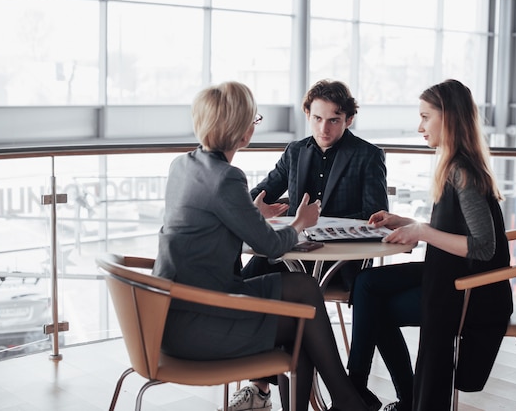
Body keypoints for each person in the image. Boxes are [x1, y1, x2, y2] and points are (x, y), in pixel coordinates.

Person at [152, 81, 373, 411]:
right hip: (199, 322)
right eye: (254, 120)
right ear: (242, 132)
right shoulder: (228, 178)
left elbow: (212, 215)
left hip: (168, 315)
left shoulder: (182, 165)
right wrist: (300, 222)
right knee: (302, 317)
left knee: (303, 289)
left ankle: (344, 399)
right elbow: (271, 245)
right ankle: (347, 400)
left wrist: (251, 211)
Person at [346, 79, 514, 411]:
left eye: (426, 117)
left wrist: (421, 231)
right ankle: (357, 390)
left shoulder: (462, 172)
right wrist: (403, 222)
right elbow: (450, 231)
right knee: (366, 285)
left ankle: (390, 398)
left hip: (472, 291)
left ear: (448, 118)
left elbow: (483, 247)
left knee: (373, 306)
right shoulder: (452, 165)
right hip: (448, 273)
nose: (420, 126)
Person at [232, 79, 389, 411]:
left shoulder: (368, 156)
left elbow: (374, 216)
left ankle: (263, 386)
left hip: (341, 264)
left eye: (333, 120)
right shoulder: (295, 151)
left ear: (348, 119)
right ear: (307, 114)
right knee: (253, 275)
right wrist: (255, 207)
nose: (325, 128)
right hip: (296, 257)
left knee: (276, 287)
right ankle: (262, 383)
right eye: (317, 118)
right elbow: (258, 195)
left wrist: (317, 220)